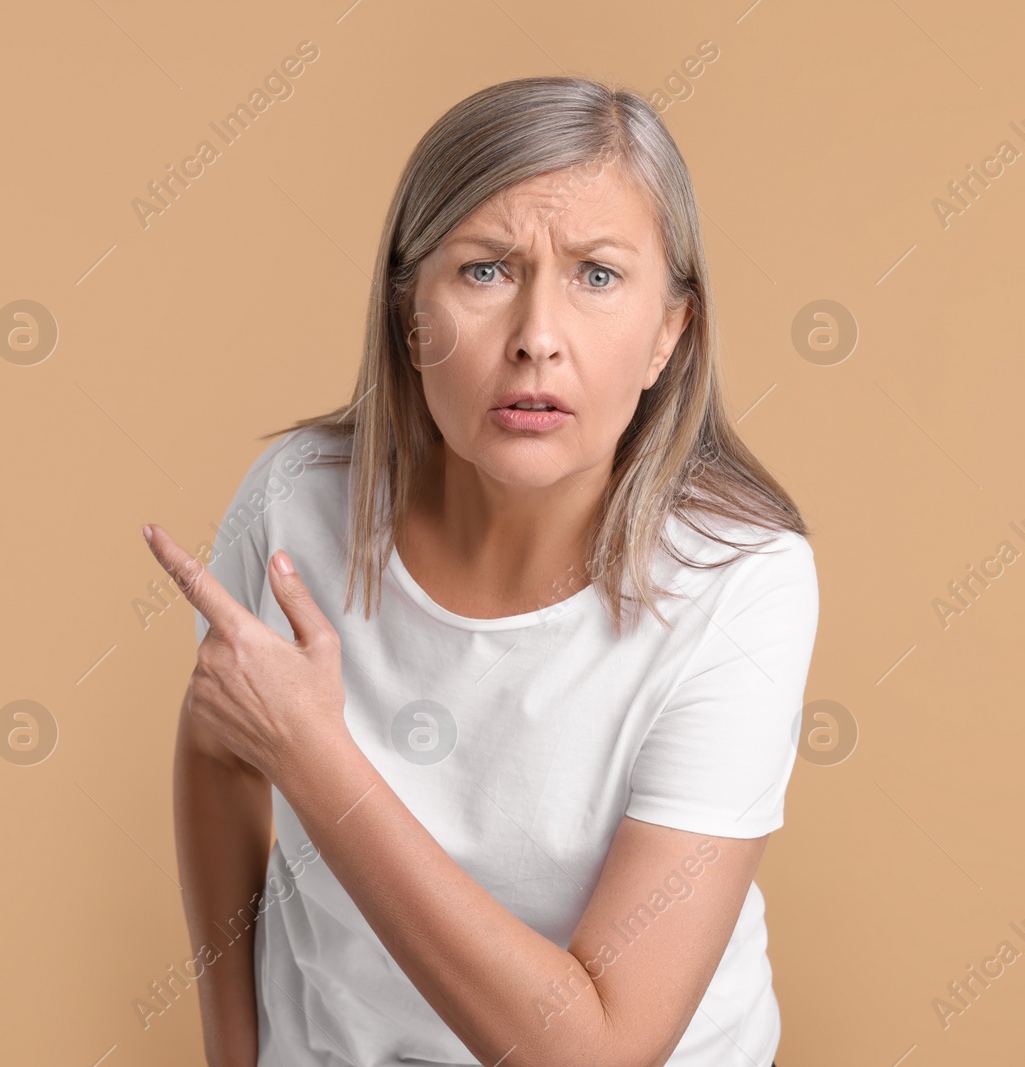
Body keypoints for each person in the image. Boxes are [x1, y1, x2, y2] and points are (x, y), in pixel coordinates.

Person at [145, 74, 815, 1067]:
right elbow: (217, 750)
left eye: (596, 275)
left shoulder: (742, 581)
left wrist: (314, 755)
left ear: (669, 334)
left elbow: (595, 1051)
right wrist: (234, 1052)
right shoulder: (293, 500)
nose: (535, 338)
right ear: (410, 315)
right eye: (486, 270)